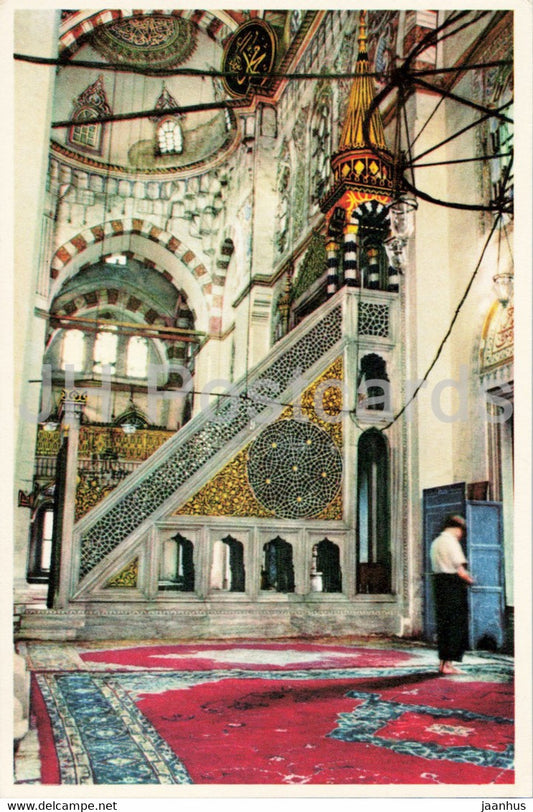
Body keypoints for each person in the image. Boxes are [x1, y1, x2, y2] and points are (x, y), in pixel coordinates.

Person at [430, 515, 475, 675]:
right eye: (461, 530)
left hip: (439, 583)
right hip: (452, 585)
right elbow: (460, 570)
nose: (461, 534)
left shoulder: (436, 542)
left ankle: (442, 664)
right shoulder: (451, 542)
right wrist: (471, 580)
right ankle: (448, 665)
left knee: (444, 625)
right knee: (455, 624)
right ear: (457, 528)